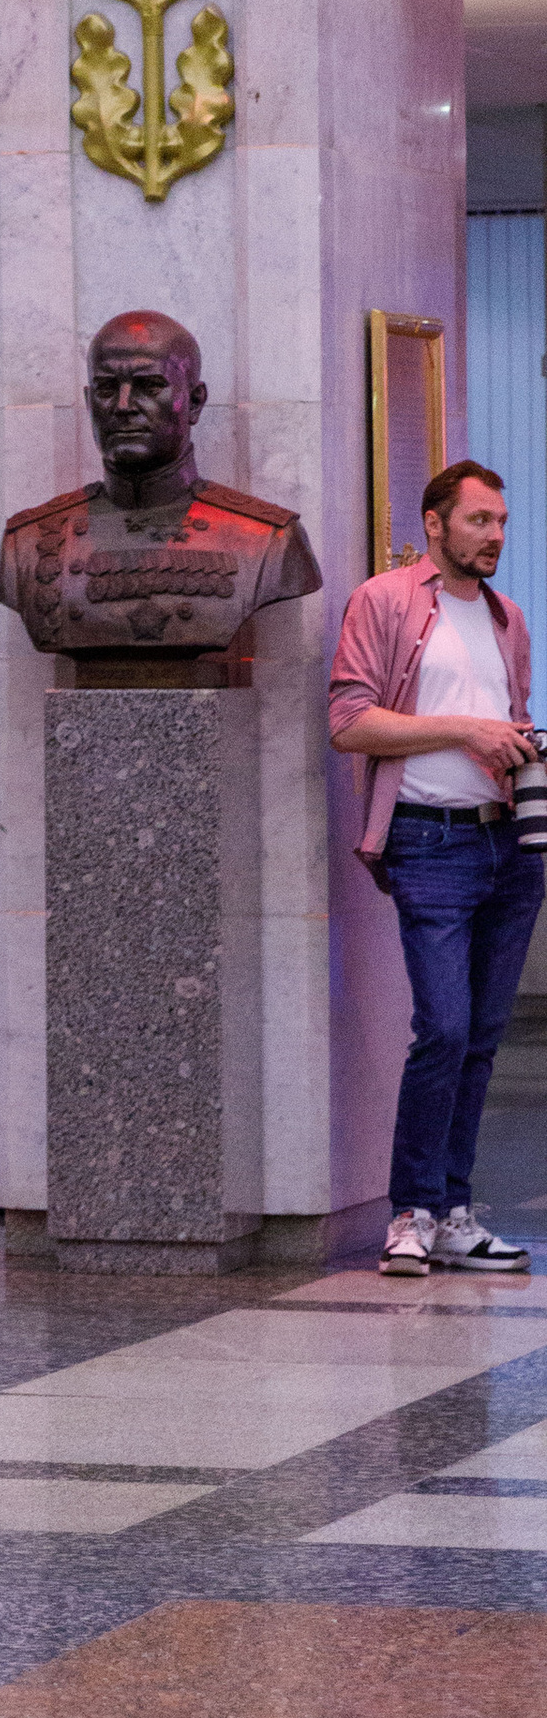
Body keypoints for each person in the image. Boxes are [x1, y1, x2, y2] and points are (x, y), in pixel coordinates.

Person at [330, 457, 542, 1279]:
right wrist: (465, 730)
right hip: (429, 843)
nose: (494, 535)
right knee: (444, 1028)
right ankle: (409, 1214)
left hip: (509, 849)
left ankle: (454, 1211)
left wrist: (515, 748)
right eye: (480, 520)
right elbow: (349, 721)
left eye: (501, 523)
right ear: (435, 524)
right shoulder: (384, 602)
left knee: (483, 1037)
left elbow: (503, 724)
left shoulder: (508, 618)